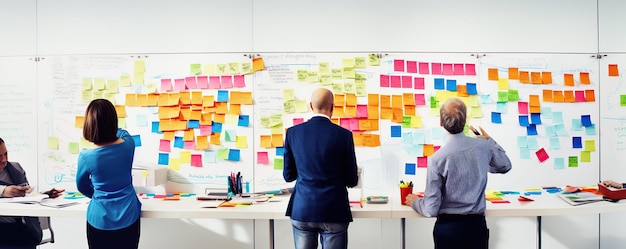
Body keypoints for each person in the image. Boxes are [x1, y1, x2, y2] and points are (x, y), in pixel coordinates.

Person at [404, 97, 512, 249]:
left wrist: (415, 202)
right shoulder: (483, 147)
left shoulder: (437, 158)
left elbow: (430, 209)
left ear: (441, 123)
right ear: (465, 121)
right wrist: (489, 140)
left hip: (448, 231)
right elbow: (505, 166)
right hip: (476, 228)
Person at [283, 88, 359, 249]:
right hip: (334, 210)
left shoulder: (292, 133)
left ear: (311, 106)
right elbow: (352, 179)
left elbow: (288, 176)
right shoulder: (344, 135)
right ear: (332, 107)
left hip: (302, 210)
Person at [76, 99, 141, 249]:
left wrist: (97, 194)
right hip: (128, 215)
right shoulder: (128, 144)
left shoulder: (87, 156)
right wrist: (108, 127)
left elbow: (82, 186)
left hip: (99, 219)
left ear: (89, 125)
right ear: (114, 121)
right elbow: (122, 132)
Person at [0, 137, 64, 249]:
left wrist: (44, 195)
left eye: (6, 154)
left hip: (24, 228)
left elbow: (26, 196)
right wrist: (3, 191)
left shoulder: (16, 168)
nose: (4, 159)